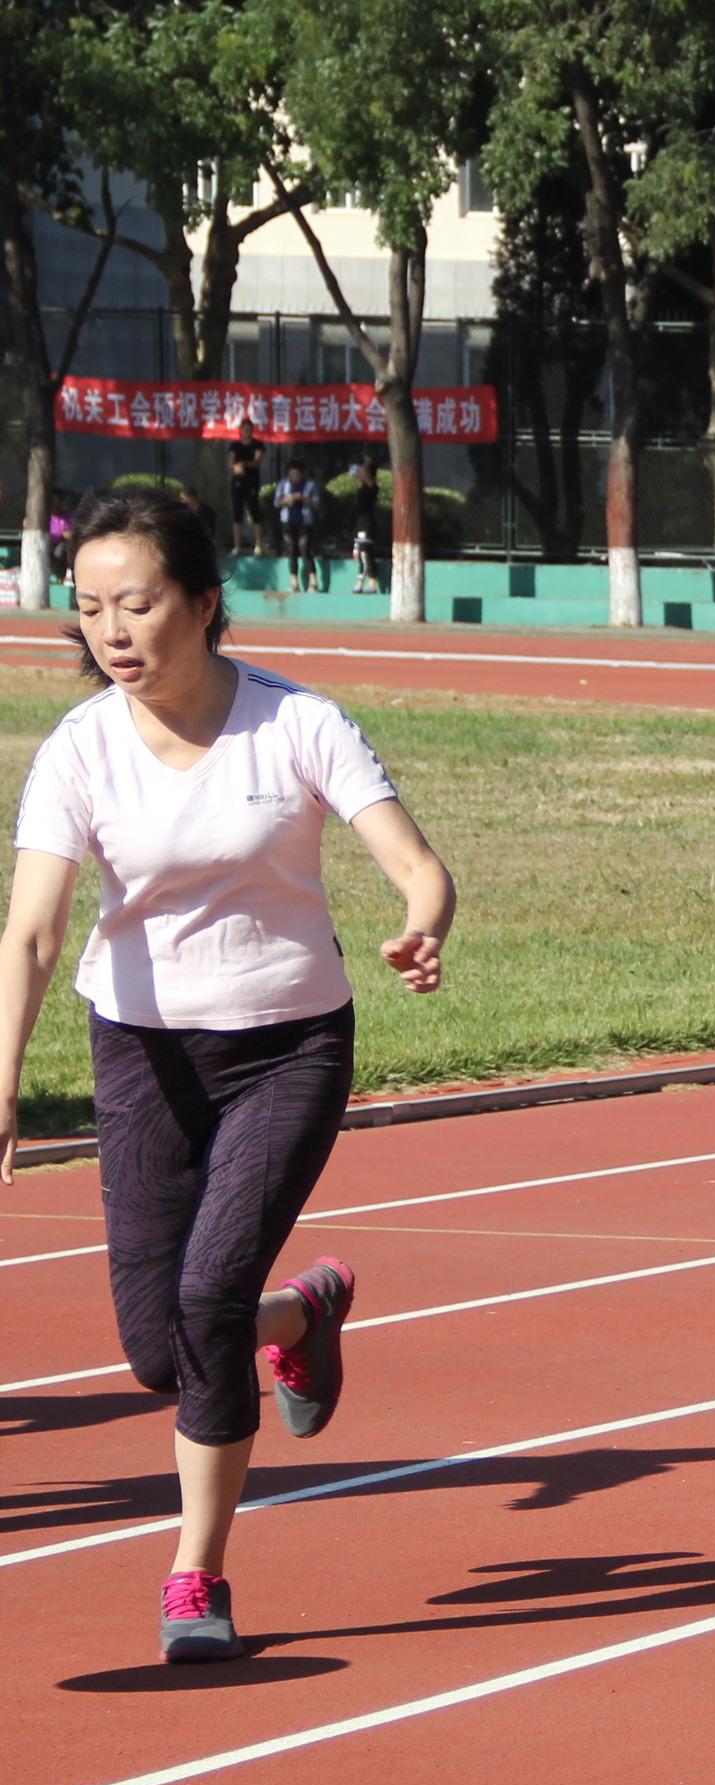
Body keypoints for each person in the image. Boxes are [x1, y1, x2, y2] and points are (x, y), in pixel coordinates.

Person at [0, 486, 457, 1663]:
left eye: (138, 603)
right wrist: (1, 1084)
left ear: (204, 604)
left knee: (204, 1303)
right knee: (160, 1350)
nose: (112, 630)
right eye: (89, 608)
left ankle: (195, 1574)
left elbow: (416, 864)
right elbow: (34, 932)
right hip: (143, 1053)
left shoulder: (296, 724)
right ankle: (300, 1312)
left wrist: (422, 921)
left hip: (288, 1047)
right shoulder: (80, 749)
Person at [276, 457, 321, 592]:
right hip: (288, 521)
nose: (294, 477)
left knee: (305, 550)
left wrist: (303, 498)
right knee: (291, 551)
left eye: (296, 474)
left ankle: (313, 583)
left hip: (304, 522)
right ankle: (294, 583)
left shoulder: (310, 485)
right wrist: (287, 500)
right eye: (292, 474)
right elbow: (276, 502)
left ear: (302, 473)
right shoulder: (284, 484)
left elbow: (316, 502)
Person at [225, 421, 267, 557]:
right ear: (240, 430)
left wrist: (244, 464)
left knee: (254, 512)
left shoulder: (258, 444)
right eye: (244, 429)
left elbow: (257, 461)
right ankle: (237, 546)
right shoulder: (235, 445)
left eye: (249, 429)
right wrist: (235, 466)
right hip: (237, 482)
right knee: (237, 513)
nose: (247, 431)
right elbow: (230, 462)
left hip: (252, 482)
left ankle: (258, 545)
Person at [346, 454, 385, 594]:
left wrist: (364, 469)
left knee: (366, 553)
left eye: (362, 469)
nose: (359, 471)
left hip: (367, 525)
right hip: (360, 524)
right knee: (362, 553)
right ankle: (365, 581)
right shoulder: (362, 486)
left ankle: (370, 583)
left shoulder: (371, 486)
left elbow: (368, 480)